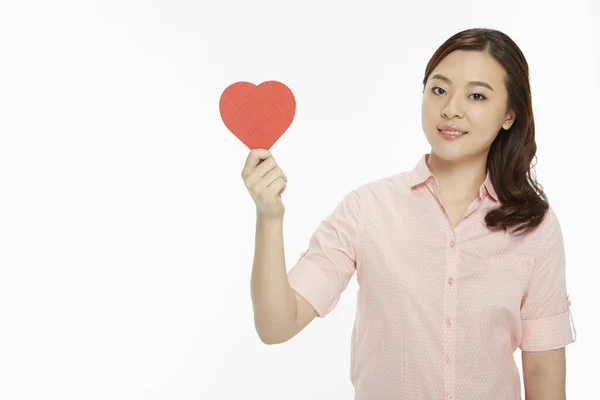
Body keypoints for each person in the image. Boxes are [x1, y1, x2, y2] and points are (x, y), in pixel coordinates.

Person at [242, 28, 577, 400]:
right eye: (439, 89)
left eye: (477, 95)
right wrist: (269, 216)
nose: (451, 108)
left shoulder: (534, 227)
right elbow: (275, 324)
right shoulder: (367, 209)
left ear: (509, 115)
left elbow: (544, 374)